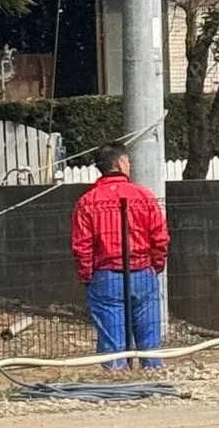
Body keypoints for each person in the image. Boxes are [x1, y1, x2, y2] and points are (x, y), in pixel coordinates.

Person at [70, 145, 170, 370]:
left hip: (106, 274)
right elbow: (160, 237)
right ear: (122, 163)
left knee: (112, 338)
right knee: (149, 333)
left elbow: (82, 246)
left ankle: (117, 375)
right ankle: (152, 371)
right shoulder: (143, 196)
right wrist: (156, 265)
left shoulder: (87, 201)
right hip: (143, 271)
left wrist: (87, 276)